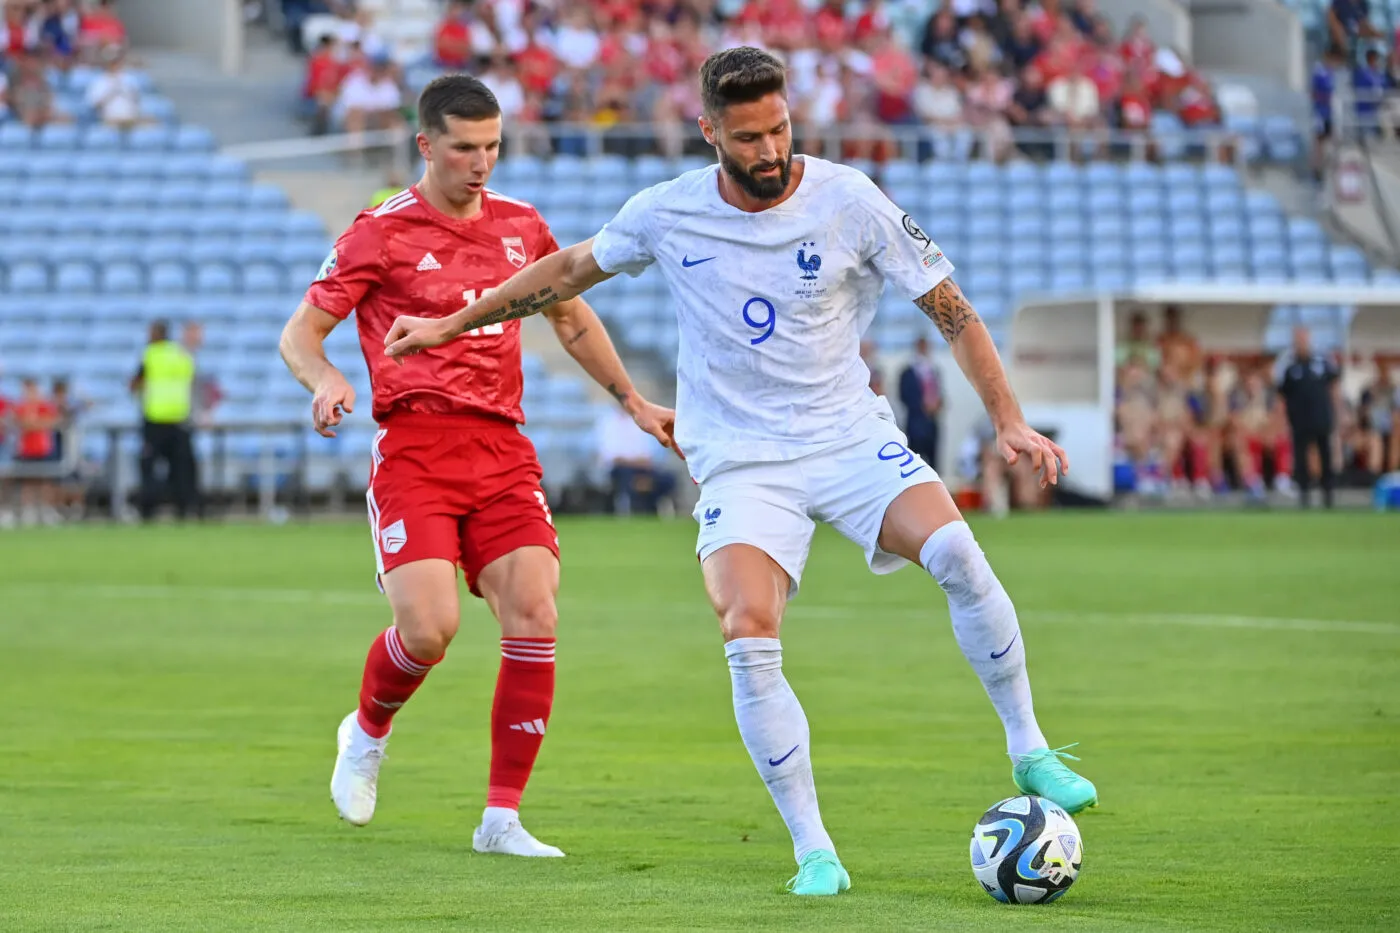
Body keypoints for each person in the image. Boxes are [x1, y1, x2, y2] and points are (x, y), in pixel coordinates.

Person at [381, 48, 1097, 895]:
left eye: (780, 130)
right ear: (709, 132)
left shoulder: (849, 199)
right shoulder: (668, 212)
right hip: (742, 461)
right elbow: (566, 271)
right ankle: (814, 850)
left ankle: (1028, 747)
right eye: (750, 137)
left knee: (958, 555)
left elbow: (953, 310)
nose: (770, 151)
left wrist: (1008, 417)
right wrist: (449, 325)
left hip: (846, 436)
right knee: (749, 631)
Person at [278, 75, 676, 857]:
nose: (482, 162)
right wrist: (324, 380)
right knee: (429, 630)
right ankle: (366, 731)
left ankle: (501, 818)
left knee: (535, 610)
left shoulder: (522, 226)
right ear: (425, 145)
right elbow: (301, 333)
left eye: (492, 146)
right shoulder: (379, 233)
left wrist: (633, 400)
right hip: (416, 448)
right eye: (465, 147)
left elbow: (571, 317)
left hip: (501, 450)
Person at [130, 320, 198, 521]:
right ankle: (185, 509)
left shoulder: (151, 354)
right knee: (181, 468)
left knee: (148, 466)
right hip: (179, 419)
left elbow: (136, 383)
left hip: (155, 419)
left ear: (156, 334)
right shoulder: (182, 354)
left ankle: (148, 510)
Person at [1276, 326, 1340, 508]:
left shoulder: (1322, 361)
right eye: (1298, 339)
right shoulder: (1289, 365)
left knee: (1325, 455)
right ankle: (1304, 496)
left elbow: (1333, 387)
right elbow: (1282, 395)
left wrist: (1338, 413)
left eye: (1303, 339)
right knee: (1301, 458)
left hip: (1321, 417)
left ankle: (1328, 494)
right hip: (1299, 420)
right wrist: (1283, 420)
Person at [898, 335, 942, 473]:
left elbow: (939, 393)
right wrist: (922, 406)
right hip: (915, 424)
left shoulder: (933, 371)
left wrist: (937, 405)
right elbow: (904, 396)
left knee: (933, 464)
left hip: (931, 423)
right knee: (914, 464)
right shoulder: (907, 372)